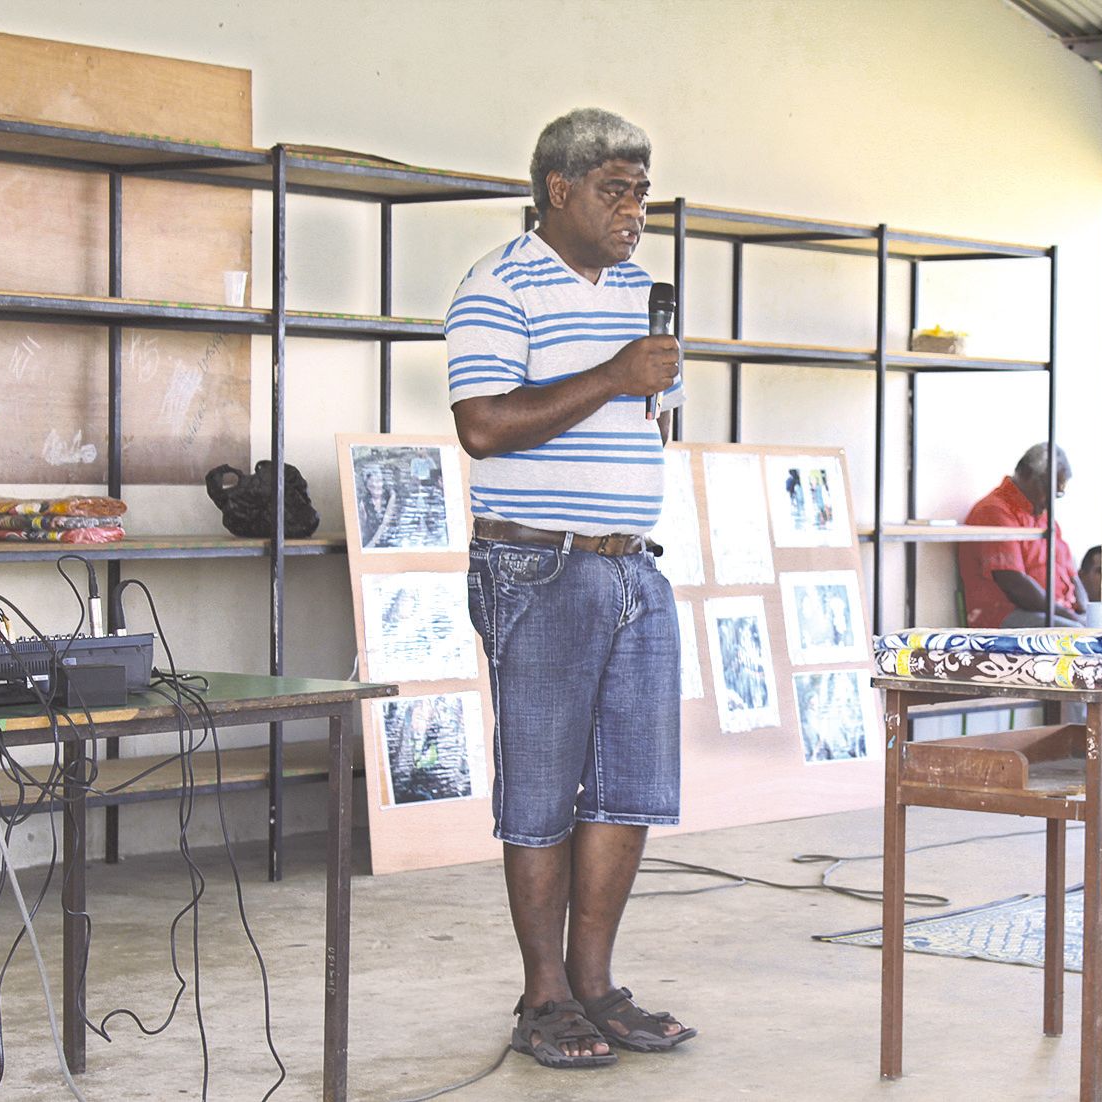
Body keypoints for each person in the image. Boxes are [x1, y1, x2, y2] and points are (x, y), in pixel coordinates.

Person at [446, 107, 694, 1071]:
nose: (635, 210)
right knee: (543, 786)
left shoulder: (640, 291)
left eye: (642, 191)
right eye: (615, 190)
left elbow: (649, 421)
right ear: (559, 189)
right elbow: (483, 426)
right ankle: (543, 994)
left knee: (629, 787)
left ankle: (597, 987)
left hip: (633, 562)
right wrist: (615, 372)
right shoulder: (496, 286)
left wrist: (637, 380)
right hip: (536, 566)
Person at [957, 443, 1089, 628]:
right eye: (1049, 491)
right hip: (1006, 614)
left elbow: (1072, 575)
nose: (1051, 501)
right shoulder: (994, 511)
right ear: (1027, 474)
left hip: (1056, 612)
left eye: (1057, 495)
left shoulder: (1043, 516)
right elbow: (1015, 585)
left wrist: (1085, 611)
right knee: (1074, 633)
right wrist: (1072, 618)